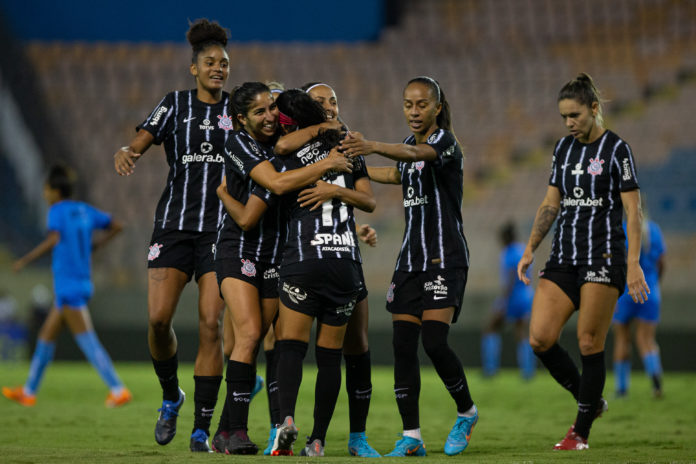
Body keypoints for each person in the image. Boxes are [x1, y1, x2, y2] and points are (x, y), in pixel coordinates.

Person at [210, 82, 353, 455]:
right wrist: (327, 163)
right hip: (238, 250)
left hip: (275, 256)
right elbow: (270, 188)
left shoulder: (284, 143)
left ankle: (225, 431)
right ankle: (236, 431)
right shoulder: (240, 144)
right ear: (241, 119)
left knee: (258, 340)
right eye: (259, 112)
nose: (270, 116)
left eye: (272, 108)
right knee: (251, 333)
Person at [340, 76, 478, 457]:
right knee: (403, 346)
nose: (414, 112)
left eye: (421, 105)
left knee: (434, 341)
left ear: (436, 107)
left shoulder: (444, 142)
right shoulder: (404, 147)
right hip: (410, 261)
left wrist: (370, 146)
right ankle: (412, 436)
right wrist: (354, 167)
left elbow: (416, 158)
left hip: (445, 258)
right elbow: (396, 173)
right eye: (408, 105)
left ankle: (466, 412)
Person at [113, 19, 231, 452]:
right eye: (211, 63)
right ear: (193, 69)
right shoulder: (175, 105)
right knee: (158, 321)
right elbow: (141, 140)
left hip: (220, 231)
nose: (219, 68)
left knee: (210, 325)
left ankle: (202, 426)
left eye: (224, 63)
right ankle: (171, 396)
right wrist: (128, 152)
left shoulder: (236, 112)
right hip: (174, 227)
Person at [516, 73, 650, 450]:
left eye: (575, 115)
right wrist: (530, 248)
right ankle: (591, 401)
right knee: (540, 338)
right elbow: (550, 204)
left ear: (594, 109)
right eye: (564, 117)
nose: (569, 123)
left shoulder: (617, 150)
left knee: (589, 341)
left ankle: (580, 431)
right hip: (564, 256)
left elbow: (633, 211)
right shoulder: (562, 149)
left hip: (603, 257)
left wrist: (634, 263)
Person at [269, 89, 375, 457]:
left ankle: (285, 421)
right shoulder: (347, 148)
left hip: (303, 258)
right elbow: (370, 200)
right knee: (330, 356)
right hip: (343, 262)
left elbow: (280, 154)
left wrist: (328, 187)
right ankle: (317, 441)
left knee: (291, 348)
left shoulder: (287, 149)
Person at [3, 165, 130, 408]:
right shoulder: (84, 210)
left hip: (67, 285)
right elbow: (118, 225)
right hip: (82, 281)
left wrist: (24, 260)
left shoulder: (57, 211)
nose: (44, 194)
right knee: (45, 337)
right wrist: (97, 246)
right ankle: (29, 391)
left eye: (46, 189)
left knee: (87, 341)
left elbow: (54, 239)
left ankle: (118, 388)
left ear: (54, 191)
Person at [302, 82, 380, 458]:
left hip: (345, 258)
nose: (330, 106)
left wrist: (340, 198)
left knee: (358, 346)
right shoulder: (291, 147)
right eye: (320, 102)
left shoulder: (349, 147)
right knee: (282, 345)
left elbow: (368, 200)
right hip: (301, 259)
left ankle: (357, 437)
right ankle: (278, 427)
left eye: (334, 100)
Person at [613, 214, 665, 398]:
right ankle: (656, 381)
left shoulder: (622, 229)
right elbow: (661, 263)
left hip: (626, 292)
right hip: (649, 289)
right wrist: (654, 284)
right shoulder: (655, 230)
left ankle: (621, 389)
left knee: (622, 339)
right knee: (646, 339)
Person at [481, 221, 535, 379]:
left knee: (490, 328)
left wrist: (503, 301)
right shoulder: (522, 250)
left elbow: (511, 278)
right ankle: (527, 372)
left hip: (513, 297)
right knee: (521, 332)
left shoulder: (508, 253)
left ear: (505, 237)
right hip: (526, 295)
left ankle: (490, 369)